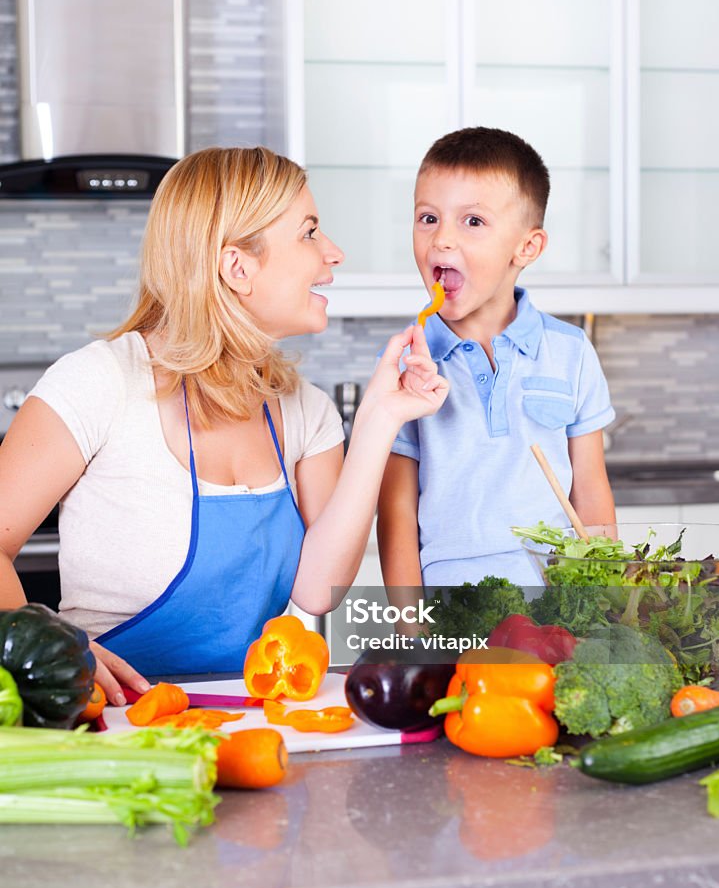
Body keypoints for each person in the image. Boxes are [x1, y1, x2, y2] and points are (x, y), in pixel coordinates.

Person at [0, 146, 448, 703]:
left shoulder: (306, 411)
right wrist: (62, 652)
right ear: (238, 267)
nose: (332, 253)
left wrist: (383, 418)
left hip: (246, 715)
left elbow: (316, 593)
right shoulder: (101, 382)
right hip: (103, 720)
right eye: (309, 232)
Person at [377, 127, 615, 591]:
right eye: (428, 218)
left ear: (526, 247)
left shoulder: (571, 353)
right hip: (450, 612)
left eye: (472, 222)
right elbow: (397, 511)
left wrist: (605, 609)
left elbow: (590, 492)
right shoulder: (407, 365)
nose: (441, 240)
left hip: (555, 609)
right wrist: (411, 626)